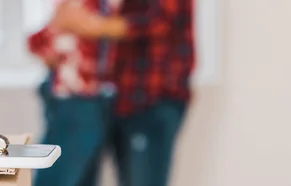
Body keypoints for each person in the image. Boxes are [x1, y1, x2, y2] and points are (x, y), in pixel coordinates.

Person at [27, 0, 195, 186]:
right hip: (85, 98)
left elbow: (158, 20)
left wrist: (93, 26)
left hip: (147, 97)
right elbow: (51, 35)